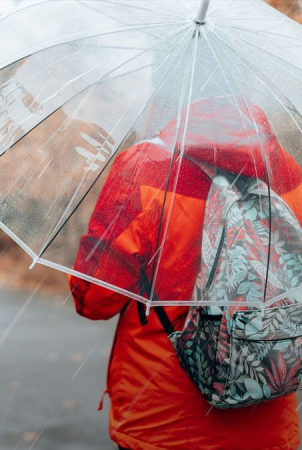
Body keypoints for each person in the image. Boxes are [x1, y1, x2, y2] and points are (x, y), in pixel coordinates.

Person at [69, 99, 301, 449]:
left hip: (164, 419)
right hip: (269, 414)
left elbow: (95, 299)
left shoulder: (146, 169)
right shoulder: (286, 171)